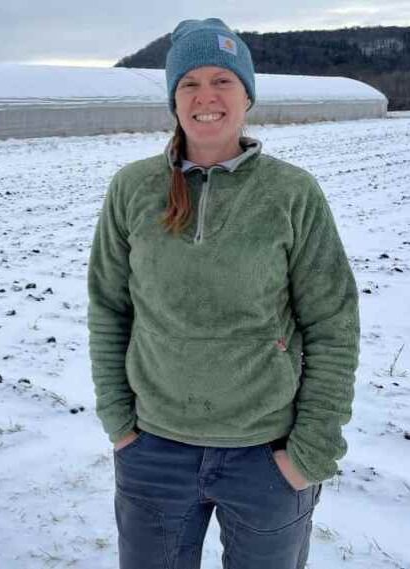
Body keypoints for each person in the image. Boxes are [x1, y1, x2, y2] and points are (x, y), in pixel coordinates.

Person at [86, 18, 360, 569]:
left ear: (247, 94)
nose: (205, 96)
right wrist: (120, 425)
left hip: (266, 455)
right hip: (154, 451)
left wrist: (309, 453)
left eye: (222, 81)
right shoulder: (133, 188)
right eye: (189, 83)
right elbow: (109, 308)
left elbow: (332, 323)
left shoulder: (291, 192)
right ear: (173, 99)